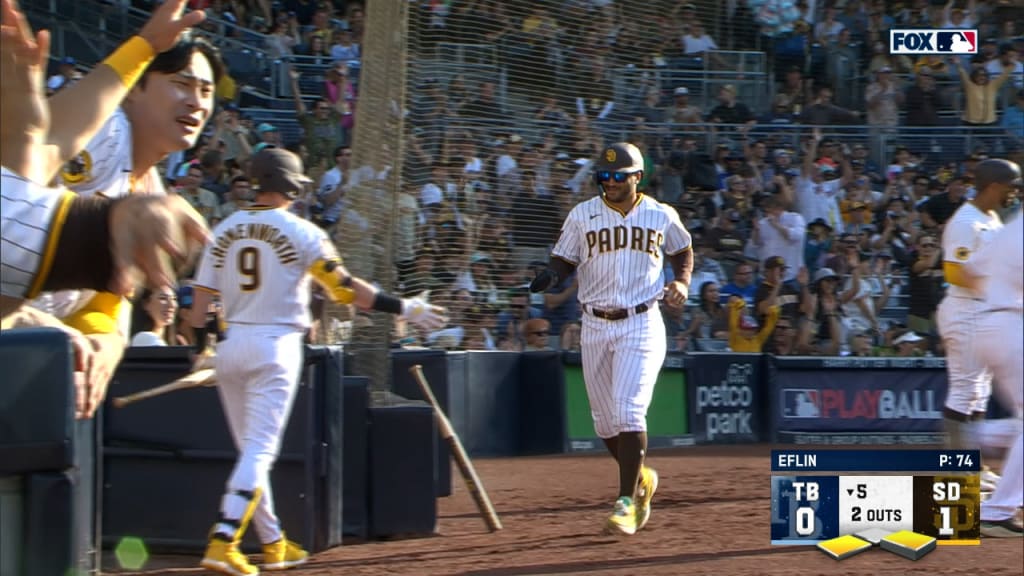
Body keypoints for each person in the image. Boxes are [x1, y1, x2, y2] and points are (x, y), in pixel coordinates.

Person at [190, 148, 446, 575]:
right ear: (289, 184)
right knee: (259, 453)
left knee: (251, 454)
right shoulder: (302, 231)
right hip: (277, 347)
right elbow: (347, 292)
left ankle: (273, 543)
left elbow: (199, 309)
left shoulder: (225, 228)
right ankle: (223, 538)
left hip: (231, 346)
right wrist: (405, 308)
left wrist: (204, 346)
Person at [529, 142, 693, 536]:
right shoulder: (583, 215)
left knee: (628, 411)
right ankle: (640, 481)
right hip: (595, 323)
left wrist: (683, 283)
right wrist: (551, 275)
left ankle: (625, 502)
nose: (610, 182)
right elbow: (563, 260)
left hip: (641, 320)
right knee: (604, 422)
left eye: (619, 176)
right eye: (604, 176)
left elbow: (683, 251)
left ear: (638, 177)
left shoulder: (659, 214)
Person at [937, 159, 1019, 481]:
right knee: (963, 390)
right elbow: (953, 272)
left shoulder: (993, 217)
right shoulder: (965, 222)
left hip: (984, 310)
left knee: (980, 391)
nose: (1014, 193)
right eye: (1011, 186)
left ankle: (974, 466)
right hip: (965, 309)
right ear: (995, 186)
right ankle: (957, 471)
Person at [962, 205, 1024, 538]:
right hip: (1012, 324)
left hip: (989, 322)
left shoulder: (1008, 229)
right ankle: (997, 511)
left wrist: (997, 291)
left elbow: (969, 270)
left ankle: (974, 437)